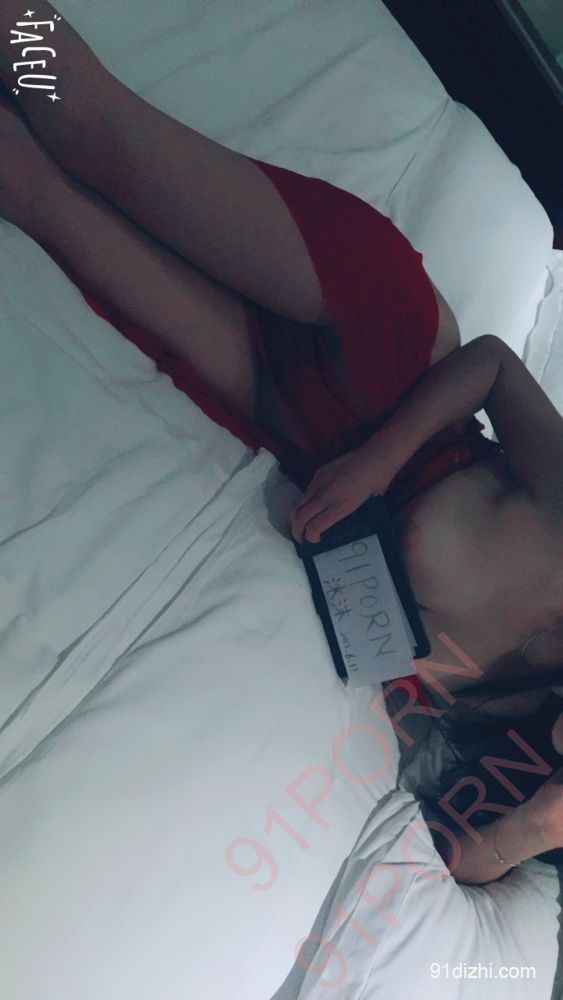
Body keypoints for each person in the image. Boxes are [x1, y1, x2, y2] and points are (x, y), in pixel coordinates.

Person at [0, 2, 562, 884]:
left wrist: (539, 819)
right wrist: (377, 462)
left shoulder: (504, 740)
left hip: (294, 424)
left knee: (33, 193)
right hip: (380, 339)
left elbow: (454, 862)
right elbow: (492, 363)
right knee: (86, 126)